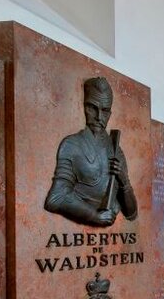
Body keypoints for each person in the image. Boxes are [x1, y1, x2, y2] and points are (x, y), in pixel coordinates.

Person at [45, 77, 138, 227]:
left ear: (110, 113)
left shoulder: (116, 151)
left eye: (105, 110)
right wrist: (94, 216)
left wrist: (124, 181)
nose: (99, 117)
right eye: (92, 107)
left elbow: (132, 214)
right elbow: (56, 198)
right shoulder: (72, 144)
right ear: (83, 107)